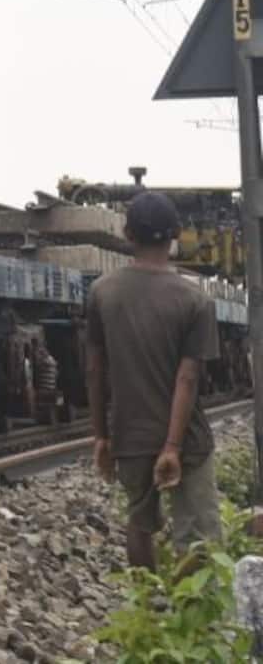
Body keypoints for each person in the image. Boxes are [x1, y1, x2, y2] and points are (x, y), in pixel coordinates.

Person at [87, 192, 220, 568]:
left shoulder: (102, 292)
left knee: (140, 525)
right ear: (175, 235)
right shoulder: (196, 300)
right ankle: (192, 621)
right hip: (188, 440)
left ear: (128, 234)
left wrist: (101, 436)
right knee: (196, 537)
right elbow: (188, 377)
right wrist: (173, 447)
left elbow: (95, 370)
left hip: (131, 436)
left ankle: (149, 612)